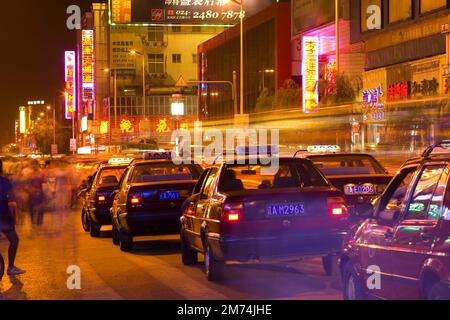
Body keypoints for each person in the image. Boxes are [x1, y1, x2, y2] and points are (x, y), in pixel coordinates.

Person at [0, 159, 25, 277]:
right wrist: (15, 215)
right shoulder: (5, 182)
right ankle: (11, 266)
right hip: (3, 217)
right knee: (14, 241)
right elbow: (11, 202)